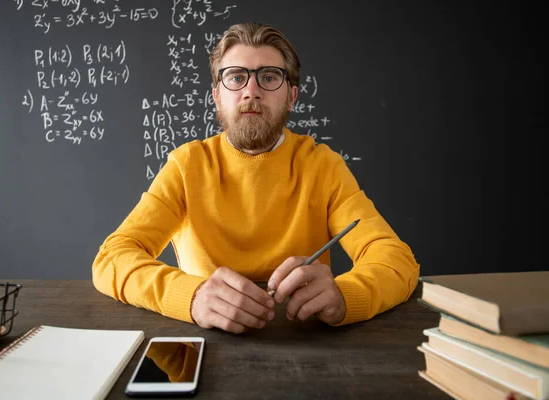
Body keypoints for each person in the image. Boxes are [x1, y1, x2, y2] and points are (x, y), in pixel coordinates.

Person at [92, 22, 420, 334]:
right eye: (236, 77)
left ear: (292, 96)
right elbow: (112, 258)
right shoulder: (186, 165)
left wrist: (346, 296)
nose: (251, 91)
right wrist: (191, 297)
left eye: (268, 77)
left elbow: (396, 260)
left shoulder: (323, 166)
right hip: (204, 337)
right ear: (217, 95)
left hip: (308, 342)